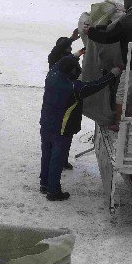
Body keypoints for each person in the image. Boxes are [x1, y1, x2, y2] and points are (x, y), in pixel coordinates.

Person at [40, 56, 122, 201]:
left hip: (46, 123)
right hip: (61, 129)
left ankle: (44, 184)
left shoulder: (51, 73)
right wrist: (113, 73)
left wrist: (77, 54)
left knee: (47, 154)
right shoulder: (73, 88)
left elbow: (61, 61)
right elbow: (96, 84)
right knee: (56, 159)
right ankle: (53, 191)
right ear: (71, 71)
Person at [83, 0, 132, 118]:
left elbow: (108, 37)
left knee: (122, 94)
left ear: (127, 7)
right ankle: (131, 116)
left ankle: (120, 122)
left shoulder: (126, 21)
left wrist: (90, 31)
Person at [48, 29, 85, 170]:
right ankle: (56, 159)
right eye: (66, 49)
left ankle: (63, 159)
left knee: (68, 132)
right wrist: (72, 38)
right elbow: (57, 51)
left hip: (72, 101)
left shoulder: (72, 60)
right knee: (59, 133)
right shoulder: (54, 60)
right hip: (59, 103)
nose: (68, 52)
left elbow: (79, 76)